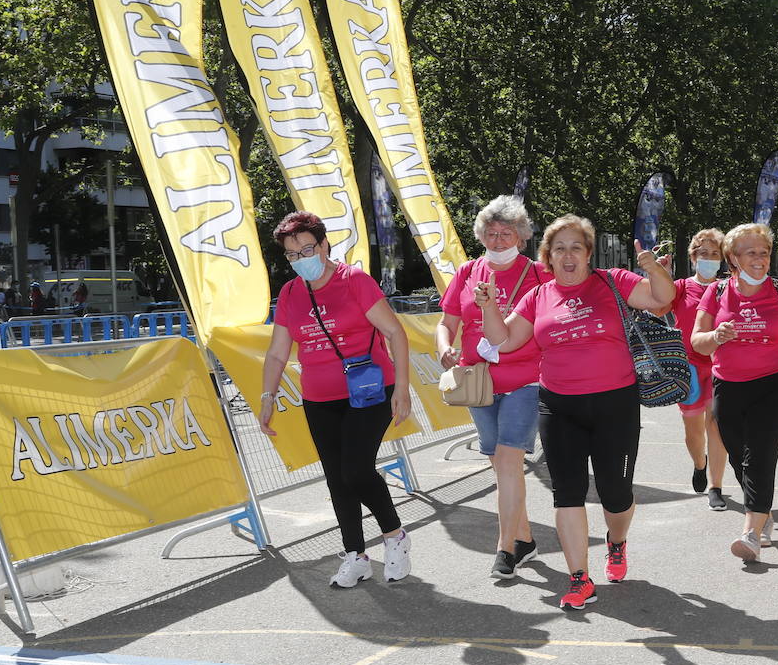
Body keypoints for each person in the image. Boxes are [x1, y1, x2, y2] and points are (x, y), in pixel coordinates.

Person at [477, 215, 674, 610]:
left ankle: (616, 542)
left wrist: (651, 268)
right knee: (566, 493)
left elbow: (661, 298)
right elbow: (503, 340)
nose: (568, 256)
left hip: (614, 403)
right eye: (559, 249)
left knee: (615, 494)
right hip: (558, 405)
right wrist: (488, 306)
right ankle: (579, 578)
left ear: (588, 254)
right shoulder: (539, 296)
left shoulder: (612, 281)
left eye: (576, 248)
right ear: (548, 257)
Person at [259, 210, 413, 589]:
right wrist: (266, 398)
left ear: (325, 245)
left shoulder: (354, 280)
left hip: (369, 391)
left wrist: (404, 388)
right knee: (337, 480)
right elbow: (278, 353)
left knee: (356, 471)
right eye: (292, 255)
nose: (301, 260)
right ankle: (356, 556)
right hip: (319, 397)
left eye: (307, 249)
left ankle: (395, 536)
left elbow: (395, 332)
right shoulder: (291, 293)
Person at [692, 223, 778, 562]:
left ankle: (750, 533)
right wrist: (718, 336)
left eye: (764, 252)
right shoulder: (716, 293)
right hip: (729, 388)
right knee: (739, 457)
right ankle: (763, 513)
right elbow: (697, 342)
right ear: (733, 257)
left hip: (774, 386)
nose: (760, 259)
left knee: (760, 455)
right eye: (751, 252)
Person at [437, 196, 547, 580]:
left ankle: (505, 549)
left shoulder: (539, 273)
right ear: (481, 236)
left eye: (506, 233)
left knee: (506, 459)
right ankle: (527, 539)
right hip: (478, 382)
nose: (498, 240)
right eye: (491, 233)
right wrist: (444, 347)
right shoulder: (468, 270)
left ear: (521, 236)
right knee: (502, 467)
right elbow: (446, 321)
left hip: (527, 379)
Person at [654, 228, 729, 510]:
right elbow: (658, 306)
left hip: (721, 366)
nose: (708, 258)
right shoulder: (682, 287)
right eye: (703, 254)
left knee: (716, 424)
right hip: (688, 369)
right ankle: (700, 463)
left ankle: (716, 485)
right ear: (693, 257)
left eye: (714, 254)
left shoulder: (727, 288)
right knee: (693, 430)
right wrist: (659, 276)